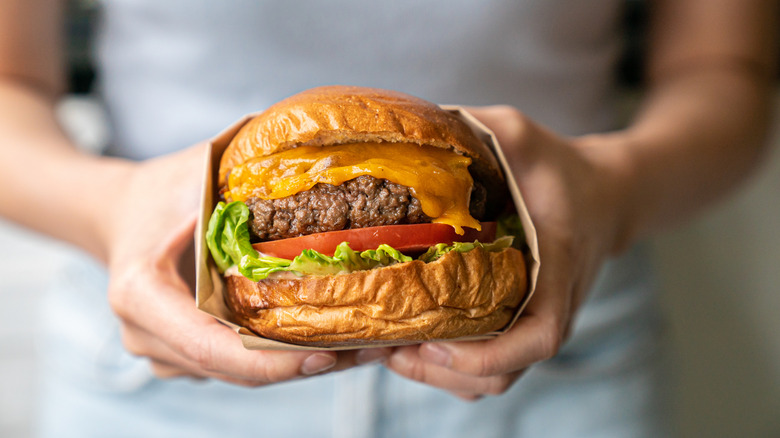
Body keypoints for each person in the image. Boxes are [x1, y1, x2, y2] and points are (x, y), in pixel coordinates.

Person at [0, 0, 775, 437]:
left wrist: (616, 188)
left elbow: (726, 72)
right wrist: (109, 211)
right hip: (156, 363)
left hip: (563, 351)